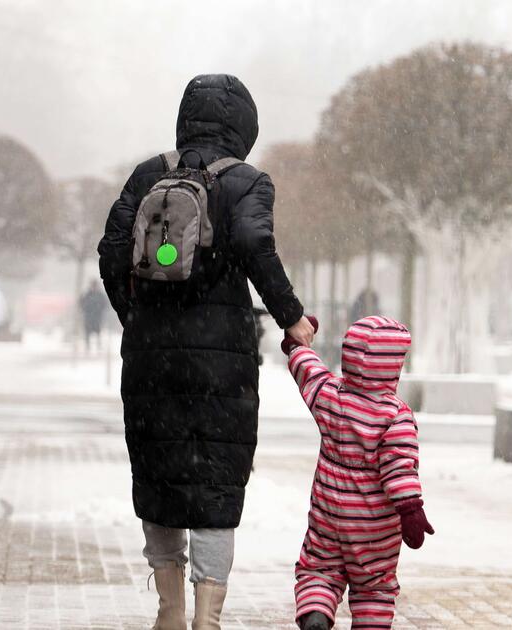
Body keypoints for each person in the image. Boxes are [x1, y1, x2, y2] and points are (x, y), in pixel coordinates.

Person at [97, 74, 314, 630]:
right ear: (245, 126)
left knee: (158, 474)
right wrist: (292, 317)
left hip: (151, 358)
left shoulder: (149, 174)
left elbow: (112, 250)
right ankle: (206, 618)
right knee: (217, 481)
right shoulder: (246, 181)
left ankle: (167, 610)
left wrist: (138, 315)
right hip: (223, 361)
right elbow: (254, 246)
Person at [283, 315, 432, 630]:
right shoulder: (395, 415)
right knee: (375, 589)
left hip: (327, 518)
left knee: (318, 570)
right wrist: (410, 509)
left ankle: (317, 613)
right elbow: (399, 466)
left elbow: (309, 372)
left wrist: (297, 347)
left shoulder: (330, 395)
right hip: (374, 529)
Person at [78, 280, 107, 354]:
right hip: (89, 316)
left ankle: (98, 346)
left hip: (97, 317)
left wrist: (99, 309)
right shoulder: (87, 294)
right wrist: (86, 309)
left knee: (98, 332)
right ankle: (88, 346)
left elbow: (104, 304)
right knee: (87, 332)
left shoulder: (100, 295)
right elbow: (81, 303)